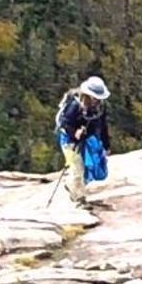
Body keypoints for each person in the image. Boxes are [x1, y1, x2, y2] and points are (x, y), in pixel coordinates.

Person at [54, 76, 111, 207]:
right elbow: (65, 123)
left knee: (86, 168)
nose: (97, 100)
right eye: (95, 97)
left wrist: (106, 145)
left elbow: (103, 125)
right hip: (68, 141)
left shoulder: (100, 107)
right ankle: (79, 200)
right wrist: (74, 133)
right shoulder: (75, 105)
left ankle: (71, 186)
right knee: (77, 167)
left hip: (86, 139)